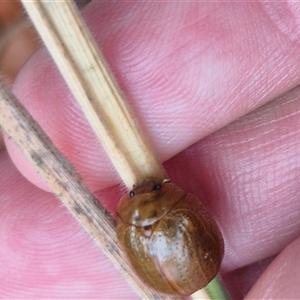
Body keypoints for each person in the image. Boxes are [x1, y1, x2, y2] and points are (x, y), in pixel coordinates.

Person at [1, 2, 300, 298]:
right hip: (190, 270)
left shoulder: (141, 224)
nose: (142, 188)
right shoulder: (146, 222)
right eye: (155, 188)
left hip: (184, 275)